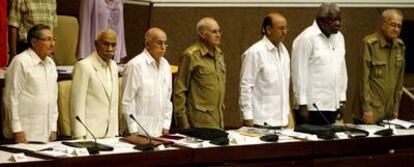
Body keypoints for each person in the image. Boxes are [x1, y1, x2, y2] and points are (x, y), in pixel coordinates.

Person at [291, 3, 347, 125]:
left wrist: (341, 99)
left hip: (333, 104)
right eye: (333, 20)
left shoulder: (339, 38)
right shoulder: (306, 38)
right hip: (311, 107)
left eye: (339, 19)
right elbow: (299, 73)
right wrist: (302, 104)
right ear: (321, 21)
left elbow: (342, 69)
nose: (338, 23)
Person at [3, 24, 58, 143]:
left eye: (53, 39)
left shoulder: (51, 64)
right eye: (48, 39)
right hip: (25, 133)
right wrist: (17, 130)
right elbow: (10, 98)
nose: (52, 44)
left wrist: (53, 127)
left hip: (46, 134)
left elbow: (54, 99)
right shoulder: (20, 62)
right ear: (33, 42)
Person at [174, 17, 226, 129]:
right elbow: (180, 90)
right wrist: (183, 121)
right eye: (214, 32)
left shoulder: (219, 54)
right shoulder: (190, 55)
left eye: (219, 31)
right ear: (202, 34)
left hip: (217, 120)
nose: (218, 34)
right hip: (198, 122)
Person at [239, 13, 290, 128]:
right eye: (281, 28)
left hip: (282, 122)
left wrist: (287, 117)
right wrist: (247, 117)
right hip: (260, 122)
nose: (285, 32)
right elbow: (246, 86)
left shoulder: (284, 52)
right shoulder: (255, 52)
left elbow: (284, 87)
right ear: (268, 29)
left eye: (286, 28)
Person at [355, 9, 405, 124]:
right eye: (393, 25)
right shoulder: (370, 44)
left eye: (399, 26)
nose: (396, 29)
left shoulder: (400, 47)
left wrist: (396, 109)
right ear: (383, 24)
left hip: (389, 113)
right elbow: (363, 81)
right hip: (370, 112)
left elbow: (399, 83)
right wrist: (367, 109)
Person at [122, 27, 172, 137]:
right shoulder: (135, 65)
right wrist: (133, 130)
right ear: (148, 44)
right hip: (139, 130)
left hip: (159, 130)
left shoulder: (166, 65)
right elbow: (127, 100)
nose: (163, 47)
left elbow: (167, 99)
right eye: (159, 43)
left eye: (165, 43)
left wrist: (166, 124)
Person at [70, 29, 119, 139]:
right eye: (106, 44)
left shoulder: (114, 66)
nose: (110, 49)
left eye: (113, 45)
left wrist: (114, 131)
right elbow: (77, 104)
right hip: (89, 133)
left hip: (110, 134)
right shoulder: (84, 66)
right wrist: (79, 135)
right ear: (96, 44)